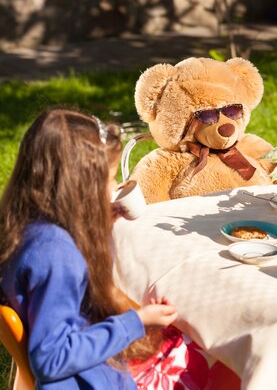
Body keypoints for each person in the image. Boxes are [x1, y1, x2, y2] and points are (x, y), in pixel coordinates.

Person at [0, 109, 240, 390]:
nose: (114, 187)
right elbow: (52, 357)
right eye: (109, 179)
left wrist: (98, 223)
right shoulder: (57, 256)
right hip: (92, 379)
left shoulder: (29, 228)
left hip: (90, 365)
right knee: (215, 358)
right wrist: (135, 321)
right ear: (81, 187)